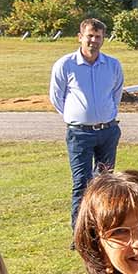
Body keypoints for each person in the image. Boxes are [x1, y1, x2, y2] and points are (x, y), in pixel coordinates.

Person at [49, 17, 124, 220]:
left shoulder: (112, 65)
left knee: (106, 182)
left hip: (108, 131)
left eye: (98, 36)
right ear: (80, 37)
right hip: (80, 134)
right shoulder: (65, 65)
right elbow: (57, 97)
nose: (94, 40)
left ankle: (104, 224)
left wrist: (105, 114)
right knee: (81, 182)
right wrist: (76, 116)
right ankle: (79, 231)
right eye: (90, 36)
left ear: (103, 39)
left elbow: (116, 94)